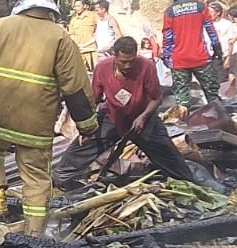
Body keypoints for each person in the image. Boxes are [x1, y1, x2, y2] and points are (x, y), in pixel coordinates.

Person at [0, 0, 98, 237]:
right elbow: (75, 89)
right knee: (36, 178)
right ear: (51, 3)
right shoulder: (60, 37)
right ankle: (34, 235)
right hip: (35, 124)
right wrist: (88, 125)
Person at [55, 36, 197, 188]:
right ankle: (67, 183)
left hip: (143, 119)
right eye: (123, 61)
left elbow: (156, 98)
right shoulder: (102, 68)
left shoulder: (146, 66)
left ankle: (189, 185)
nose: (128, 65)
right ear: (114, 56)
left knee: (175, 165)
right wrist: (86, 128)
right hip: (112, 116)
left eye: (131, 61)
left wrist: (143, 117)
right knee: (73, 158)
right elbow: (94, 99)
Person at [161, 0, 222, 114]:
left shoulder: (169, 12)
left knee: (182, 101)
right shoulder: (201, 7)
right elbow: (211, 31)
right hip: (201, 58)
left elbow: (167, 38)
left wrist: (166, 56)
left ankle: (182, 129)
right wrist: (217, 49)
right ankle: (221, 121)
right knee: (213, 96)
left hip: (179, 61)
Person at [69, 0, 99, 71]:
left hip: (92, 50)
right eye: (75, 6)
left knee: (96, 73)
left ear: (85, 6)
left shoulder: (93, 16)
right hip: (79, 51)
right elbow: (71, 35)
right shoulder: (74, 20)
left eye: (78, 6)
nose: (76, 8)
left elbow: (100, 31)